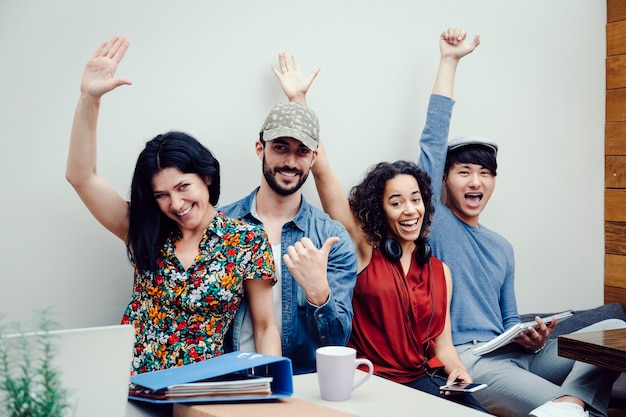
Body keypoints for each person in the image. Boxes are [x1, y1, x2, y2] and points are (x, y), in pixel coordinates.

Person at [417, 28, 626, 417]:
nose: (475, 181)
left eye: (484, 173)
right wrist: (449, 61)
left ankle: (572, 402)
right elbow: (431, 143)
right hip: (471, 359)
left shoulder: (502, 247)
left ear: (494, 181)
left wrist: (531, 338)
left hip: (518, 355)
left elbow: (509, 320)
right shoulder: (436, 222)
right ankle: (574, 407)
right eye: (464, 172)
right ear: (445, 180)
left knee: (615, 327)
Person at [286, 29, 485, 411]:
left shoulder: (440, 271)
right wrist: (300, 100)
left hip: (427, 382)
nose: (409, 209)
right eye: (396, 202)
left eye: (415, 200)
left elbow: (443, 346)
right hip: (370, 384)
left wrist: (457, 368)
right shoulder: (364, 248)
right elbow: (324, 174)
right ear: (381, 210)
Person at [65, 36, 280, 375]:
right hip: (130, 385)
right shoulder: (143, 230)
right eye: (161, 195)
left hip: (198, 391)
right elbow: (81, 176)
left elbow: (265, 327)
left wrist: (273, 393)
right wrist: (89, 99)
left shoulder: (247, 242)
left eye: (183, 187)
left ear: (207, 178)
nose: (176, 203)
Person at [220, 54, 358, 375]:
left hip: (299, 385)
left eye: (301, 151)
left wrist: (318, 292)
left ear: (313, 158)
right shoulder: (221, 225)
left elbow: (337, 343)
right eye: (280, 147)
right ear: (260, 149)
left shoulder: (330, 238)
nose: (291, 162)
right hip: (227, 382)